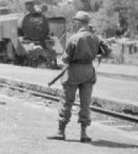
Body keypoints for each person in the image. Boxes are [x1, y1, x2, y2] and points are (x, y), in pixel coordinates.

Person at [47, 11, 112, 142]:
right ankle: (83, 134)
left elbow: (65, 59)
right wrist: (97, 56)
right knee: (85, 103)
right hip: (89, 71)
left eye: (75, 21)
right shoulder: (96, 38)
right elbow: (109, 53)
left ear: (79, 22)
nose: (74, 23)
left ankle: (61, 131)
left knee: (66, 101)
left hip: (74, 72)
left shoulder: (75, 38)